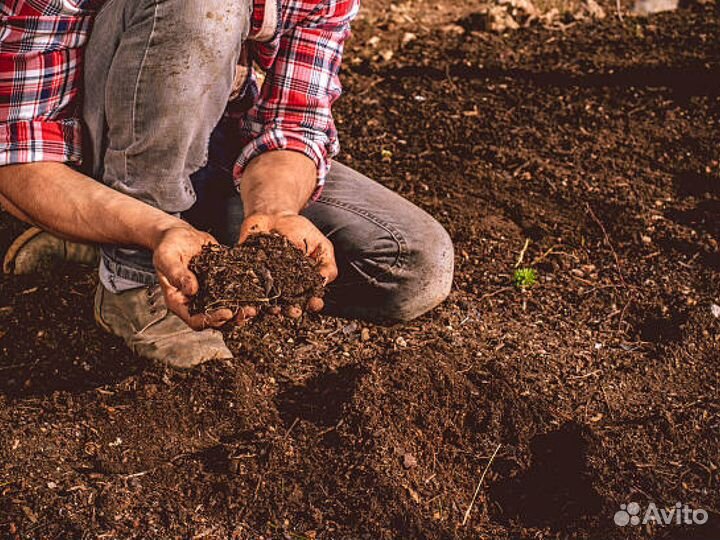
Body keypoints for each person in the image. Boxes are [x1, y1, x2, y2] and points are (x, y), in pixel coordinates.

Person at [0, 0, 454, 368]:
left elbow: (293, 124)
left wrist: (275, 211)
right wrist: (153, 230)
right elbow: (18, 160)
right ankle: (132, 279)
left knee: (409, 264)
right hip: (82, 145)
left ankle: (122, 236)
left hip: (206, 139)